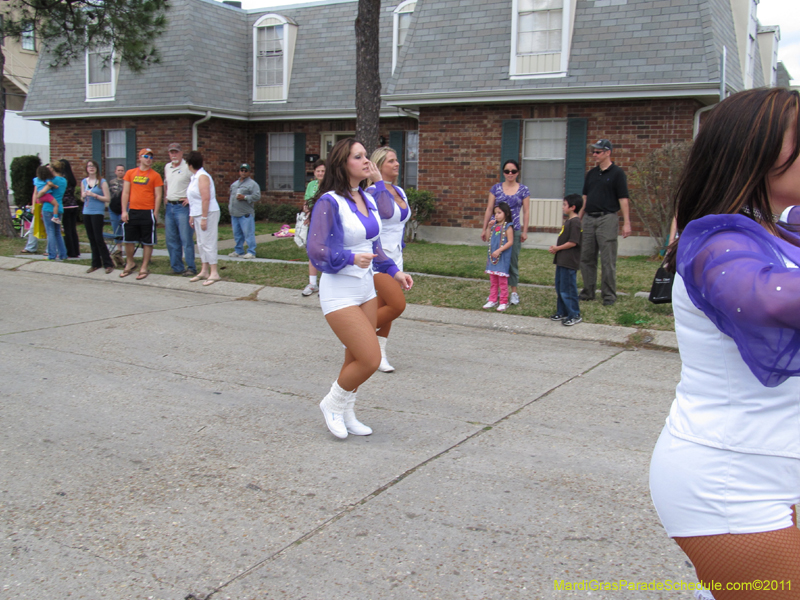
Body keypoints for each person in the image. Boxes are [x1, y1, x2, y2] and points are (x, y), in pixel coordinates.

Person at [649, 88, 800, 598]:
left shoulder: (783, 232)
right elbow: (766, 301)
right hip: (730, 478)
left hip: (775, 463)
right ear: (754, 151)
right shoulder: (717, 242)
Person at [307, 138, 413, 439]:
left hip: (366, 290)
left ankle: (347, 411)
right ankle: (332, 403)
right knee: (370, 359)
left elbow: (375, 248)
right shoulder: (329, 201)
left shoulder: (365, 198)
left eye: (367, 155)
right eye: (359, 156)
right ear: (343, 164)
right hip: (339, 292)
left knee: (353, 359)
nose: (366, 160)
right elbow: (316, 251)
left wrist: (395, 272)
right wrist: (351, 257)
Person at [366, 148, 410, 372]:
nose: (397, 164)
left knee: (384, 307)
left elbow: (400, 223)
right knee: (396, 305)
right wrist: (378, 183)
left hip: (396, 257)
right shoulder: (373, 192)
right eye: (391, 161)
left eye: (396, 159)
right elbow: (384, 210)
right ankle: (356, 334)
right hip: (378, 258)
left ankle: (379, 354)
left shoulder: (400, 190)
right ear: (379, 165)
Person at [578, 139, 630, 306]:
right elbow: (585, 198)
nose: (594, 155)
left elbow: (623, 199)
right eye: (593, 152)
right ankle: (588, 291)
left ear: (608, 153)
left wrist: (627, 222)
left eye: (598, 152)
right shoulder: (591, 174)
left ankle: (608, 295)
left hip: (607, 218)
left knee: (607, 259)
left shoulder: (617, 173)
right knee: (586, 257)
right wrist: (579, 217)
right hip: (589, 218)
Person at [481, 160, 529, 306]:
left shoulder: (523, 190)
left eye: (513, 171)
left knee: (511, 261)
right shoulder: (496, 189)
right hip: (496, 230)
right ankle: (495, 295)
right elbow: (489, 209)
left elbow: (526, 211)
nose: (510, 174)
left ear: (518, 173)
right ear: (503, 172)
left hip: (512, 230)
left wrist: (524, 231)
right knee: (495, 261)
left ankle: (513, 293)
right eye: (507, 171)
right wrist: (485, 228)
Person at [120, 148, 163, 280]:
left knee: (147, 241)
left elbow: (158, 195)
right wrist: (124, 210)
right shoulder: (130, 173)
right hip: (133, 210)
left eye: (150, 157)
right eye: (145, 156)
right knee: (128, 239)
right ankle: (130, 262)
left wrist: (155, 212)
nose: (148, 159)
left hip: (148, 211)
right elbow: (126, 192)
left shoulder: (155, 175)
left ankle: (144, 266)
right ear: (139, 157)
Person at [185, 151, 221, 286]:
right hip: (197, 213)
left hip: (208, 212)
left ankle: (214, 272)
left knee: (208, 241)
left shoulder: (203, 177)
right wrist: (192, 215)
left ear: (190, 164)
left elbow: (205, 198)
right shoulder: (194, 177)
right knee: (200, 242)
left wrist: (204, 218)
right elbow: (193, 200)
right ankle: (204, 270)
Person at [548, 194, 583, 326]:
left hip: (569, 261)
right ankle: (562, 311)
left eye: (564, 204)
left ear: (573, 207)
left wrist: (557, 248)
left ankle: (574, 314)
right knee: (560, 287)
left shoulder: (575, 223)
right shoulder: (569, 221)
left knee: (568, 289)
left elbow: (573, 242)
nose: (562, 207)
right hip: (562, 260)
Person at [163, 143, 197, 276]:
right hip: (170, 207)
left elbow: (197, 183)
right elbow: (166, 183)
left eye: (176, 152)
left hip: (182, 207)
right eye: (171, 152)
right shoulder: (167, 167)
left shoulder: (188, 167)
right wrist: (166, 196)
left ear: (181, 153)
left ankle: (191, 267)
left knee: (186, 238)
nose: (174, 155)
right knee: (171, 239)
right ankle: (177, 267)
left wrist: (190, 199)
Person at [80, 160, 114, 274]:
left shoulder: (102, 182)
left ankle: (108, 263)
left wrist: (95, 195)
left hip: (97, 212)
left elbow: (107, 198)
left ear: (97, 168)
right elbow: (81, 198)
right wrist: (84, 195)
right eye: (89, 166)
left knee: (98, 238)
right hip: (87, 211)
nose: (91, 168)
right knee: (91, 239)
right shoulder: (84, 182)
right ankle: (95, 263)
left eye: (93, 166)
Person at [482, 202, 514, 312]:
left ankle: (504, 301)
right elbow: (487, 238)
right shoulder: (494, 226)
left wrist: (499, 250)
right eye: (495, 213)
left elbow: (510, 242)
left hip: (502, 257)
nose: (496, 215)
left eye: (499, 213)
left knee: (502, 281)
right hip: (492, 258)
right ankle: (492, 299)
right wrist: (488, 227)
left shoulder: (508, 227)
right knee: (493, 281)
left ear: (506, 213)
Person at [302, 159, 326, 296]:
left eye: (323, 171)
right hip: (312, 223)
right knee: (312, 252)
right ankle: (312, 283)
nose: (320, 173)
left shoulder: (331, 185)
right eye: (318, 171)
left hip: (325, 224)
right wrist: (307, 212)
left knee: (324, 252)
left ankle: (325, 284)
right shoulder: (311, 185)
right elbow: (306, 202)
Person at [228, 163, 261, 259]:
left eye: (245, 171)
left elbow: (257, 196)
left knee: (248, 233)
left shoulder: (253, 184)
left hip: (245, 214)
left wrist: (245, 197)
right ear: (239, 171)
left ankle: (251, 252)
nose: (243, 172)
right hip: (234, 213)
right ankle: (239, 250)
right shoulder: (234, 184)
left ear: (249, 172)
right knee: (237, 234)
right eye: (242, 170)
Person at [35, 163, 68, 261]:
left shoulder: (52, 180)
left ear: (53, 169)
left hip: (48, 207)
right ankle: (63, 254)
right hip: (59, 207)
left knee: (50, 232)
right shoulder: (64, 180)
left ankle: (52, 254)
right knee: (58, 232)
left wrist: (37, 196)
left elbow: (42, 191)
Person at [56, 159, 81, 259]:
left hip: (65, 205)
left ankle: (70, 251)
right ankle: (76, 250)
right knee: (72, 229)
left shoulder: (62, 178)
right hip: (73, 205)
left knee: (67, 230)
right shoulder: (71, 178)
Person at [108, 164, 126, 267]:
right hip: (113, 208)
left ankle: (123, 249)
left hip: (123, 208)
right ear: (115, 171)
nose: (120, 172)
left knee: (123, 228)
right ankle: (118, 250)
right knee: (115, 229)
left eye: (122, 170)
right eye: (118, 170)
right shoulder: (111, 183)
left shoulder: (127, 183)